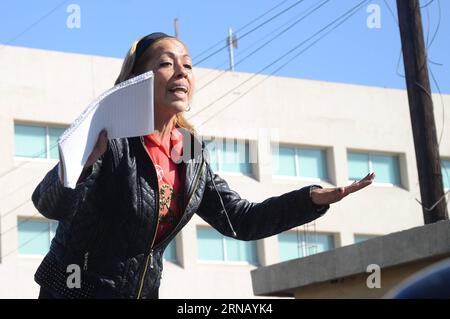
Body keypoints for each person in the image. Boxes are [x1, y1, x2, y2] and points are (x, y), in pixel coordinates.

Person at [32, 32, 375, 299]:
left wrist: (310, 199)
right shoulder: (110, 136)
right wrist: (83, 165)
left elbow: (241, 220)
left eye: (188, 65)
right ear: (137, 77)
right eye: (166, 63)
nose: (181, 71)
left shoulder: (190, 153)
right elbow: (48, 204)